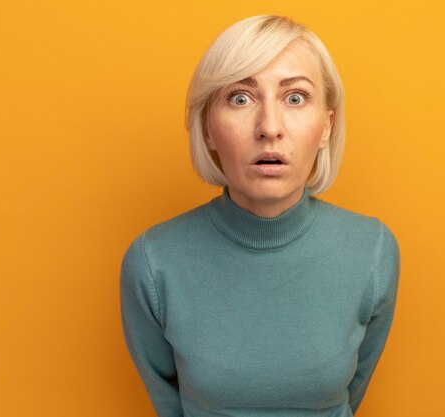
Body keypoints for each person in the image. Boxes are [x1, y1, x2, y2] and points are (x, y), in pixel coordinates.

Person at [120, 14, 400, 417]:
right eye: (240, 98)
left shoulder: (372, 250)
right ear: (207, 130)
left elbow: (349, 397)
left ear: (326, 127)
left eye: (295, 97)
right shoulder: (152, 261)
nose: (270, 127)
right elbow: (167, 401)